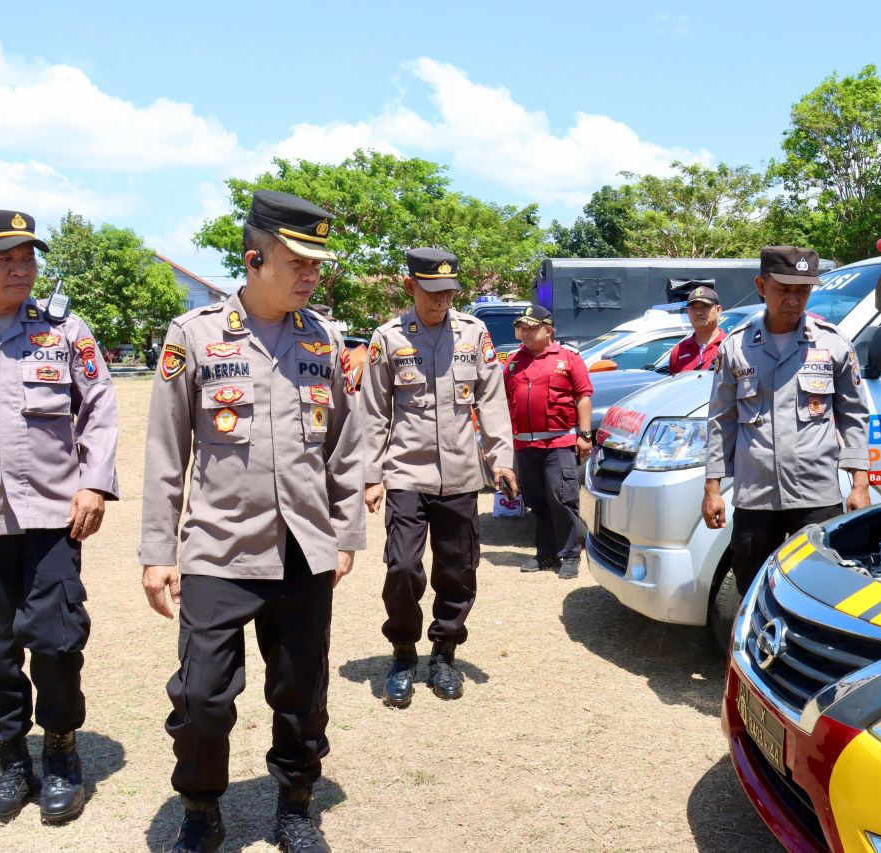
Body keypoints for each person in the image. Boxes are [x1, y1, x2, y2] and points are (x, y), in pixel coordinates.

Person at [139, 190, 365, 853]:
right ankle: (201, 806)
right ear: (253, 258)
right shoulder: (196, 334)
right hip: (218, 546)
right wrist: (158, 550)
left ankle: (295, 803)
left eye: (317, 265)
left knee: (301, 694)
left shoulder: (321, 337)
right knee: (203, 695)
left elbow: (344, 445)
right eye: (297, 261)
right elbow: (164, 450)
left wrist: (345, 533)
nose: (310, 275)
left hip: (303, 548)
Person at [0, 210, 119, 827]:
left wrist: (94, 482)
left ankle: (62, 752)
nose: (21, 268)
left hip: (52, 519)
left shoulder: (65, 331)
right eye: (5, 257)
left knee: (57, 640)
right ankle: (12, 762)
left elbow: (98, 408)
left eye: (28, 257)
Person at [360, 248, 516, 709]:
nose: (441, 300)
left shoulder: (474, 333)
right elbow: (372, 413)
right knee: (403, 568)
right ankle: (404, 653)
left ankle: (444, 653)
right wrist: (372, 475)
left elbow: (491, 399)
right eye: (432, 292)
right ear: (410, 287)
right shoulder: (387, 338)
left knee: (458, 570)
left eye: (449, 292)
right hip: (407, 472)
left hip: (463, 475)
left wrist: (501, 459)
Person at [702, 246, 871, 595]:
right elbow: (722, 420)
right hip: (755, 496)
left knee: (822, 590)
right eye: (784, 289)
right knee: (751, 586)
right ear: (761, 285)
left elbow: (853, 415)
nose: (794, 300)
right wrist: (712, 488)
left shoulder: (834, 344)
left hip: (815, 496)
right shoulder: (736, 347)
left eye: (802, 290)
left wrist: (859, 484)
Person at [502, 305, 593, 579]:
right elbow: (504, 400)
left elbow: (583, 396)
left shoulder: (568, 358)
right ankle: (545, 555)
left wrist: (585, 434)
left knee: (562, 498)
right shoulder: (515, 361)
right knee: (537, 502)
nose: (525, 333)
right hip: (524, 445)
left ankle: (570, 555)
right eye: (522, 328)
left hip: (558, 442)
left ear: (548, 330)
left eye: (532, 327)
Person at [668, 285, 726, 373]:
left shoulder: (730, 345)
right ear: (687, 312)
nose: (698, 312)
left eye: (705, 306)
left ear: (718, 310)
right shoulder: (678, 351)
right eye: (693, 308)